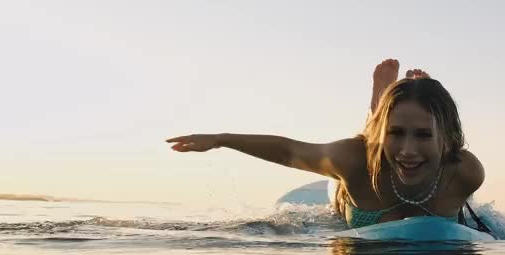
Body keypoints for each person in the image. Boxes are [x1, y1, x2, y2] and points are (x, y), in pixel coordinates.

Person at [167, 59, 486, 230]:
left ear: (447, 141)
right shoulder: (351, 160)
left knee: (387, 140)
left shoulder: (465, 172)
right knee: (370, 144)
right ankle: (381, 104)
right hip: (361, 174)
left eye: (424, 135)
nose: (408, 150)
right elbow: (292, 151)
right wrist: (221, 140)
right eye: (398, 133)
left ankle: (394, 104)